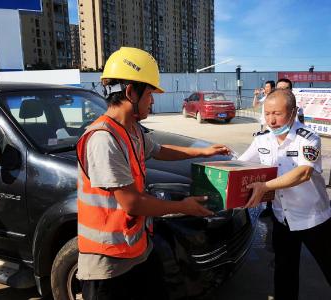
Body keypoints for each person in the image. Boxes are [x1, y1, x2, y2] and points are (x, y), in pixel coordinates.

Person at [76, 47, 230, 300]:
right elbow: (132, 203)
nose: (153, 100)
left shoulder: (131, 130)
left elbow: (159, 150)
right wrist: (184, 206)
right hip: (107, 263)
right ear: (130, 92)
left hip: (135, 250)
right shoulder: (103, 139)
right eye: (149, 93)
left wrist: (202, 153)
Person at [239, 89, 331, 300]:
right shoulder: (262, 140)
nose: (272, 120)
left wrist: (264, 186)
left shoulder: (309, 139)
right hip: (283, 219)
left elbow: (303, 172)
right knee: (284, 273)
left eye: (278, 114)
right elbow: (240, 164)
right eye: (267, 114)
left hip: (314, 219)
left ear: (293, 113)